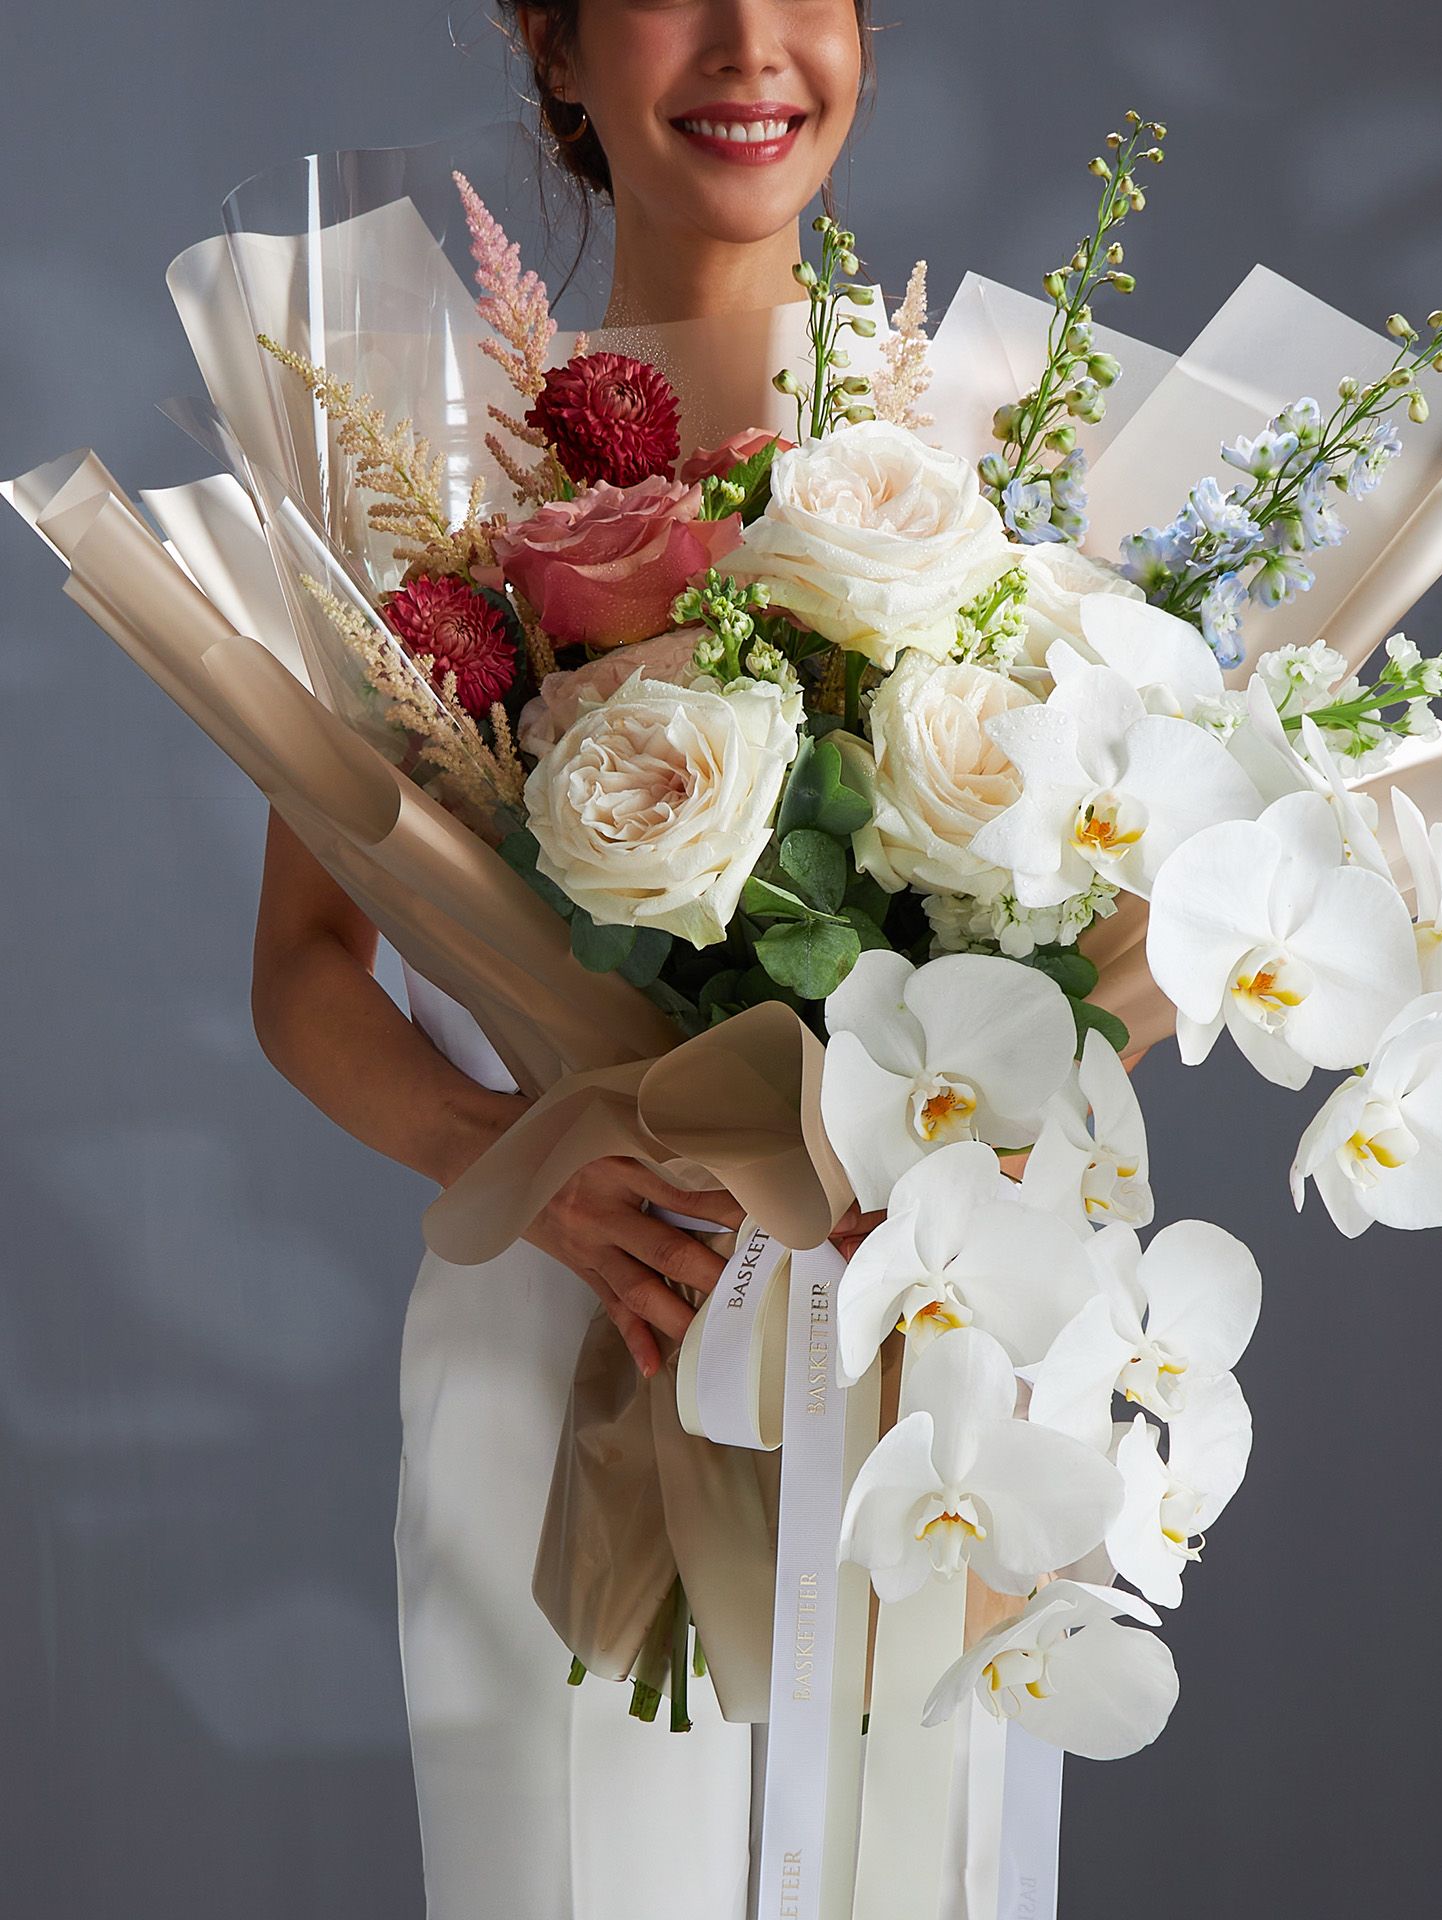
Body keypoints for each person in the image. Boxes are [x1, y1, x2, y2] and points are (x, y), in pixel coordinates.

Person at [249, 3, 880, 1916]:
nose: (751, 47)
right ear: (556, 39)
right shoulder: (424, 470)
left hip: (893, 1347)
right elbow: (299, 966)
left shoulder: (977, 448)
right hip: (563, 1315)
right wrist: (517, 1165)